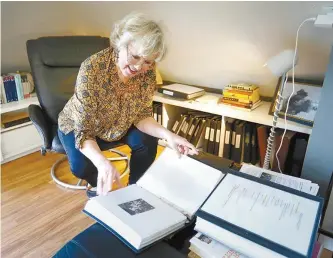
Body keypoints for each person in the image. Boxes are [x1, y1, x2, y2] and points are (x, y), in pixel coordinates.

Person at [58, 12, 198, 198]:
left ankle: (136, 188)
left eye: (148, 61)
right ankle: (98, 185)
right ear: (120, 44)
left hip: (119, 122)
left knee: (147, 142)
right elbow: (84, 132)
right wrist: (102, 163)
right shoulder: (91, 70)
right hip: (78, 125)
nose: (140, 67)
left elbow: (141, 115)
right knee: (81, 166)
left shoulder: (147, 73)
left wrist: (169, 136)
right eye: (135, 56)